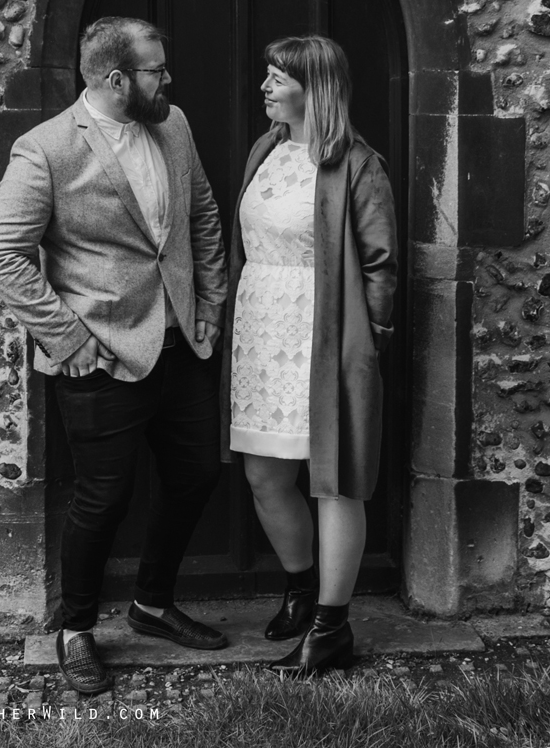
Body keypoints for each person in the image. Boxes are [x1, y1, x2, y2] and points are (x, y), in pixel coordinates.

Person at [0, 16, 230, 695]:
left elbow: (203, 213)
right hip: (99, 359)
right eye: (156, 69)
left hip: (181, 344)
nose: (168, 79)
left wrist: (209, 304)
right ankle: (77, 628)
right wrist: (68, 339)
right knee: (103, 498)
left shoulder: (173, 126)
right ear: (117, 79)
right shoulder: (47, 148)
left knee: (199, 472)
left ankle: (152, 604)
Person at [223, 34, 398, 676]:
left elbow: (380, 264)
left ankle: (331, 626)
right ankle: (300, 589)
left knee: (334, 478)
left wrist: (366, 341)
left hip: (324, 331)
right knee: (265, 476)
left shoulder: (357, 164)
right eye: (267, 76)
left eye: (277, 78)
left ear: (313, 88)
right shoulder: (264, 150)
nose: (265, 88)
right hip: (261, 328)